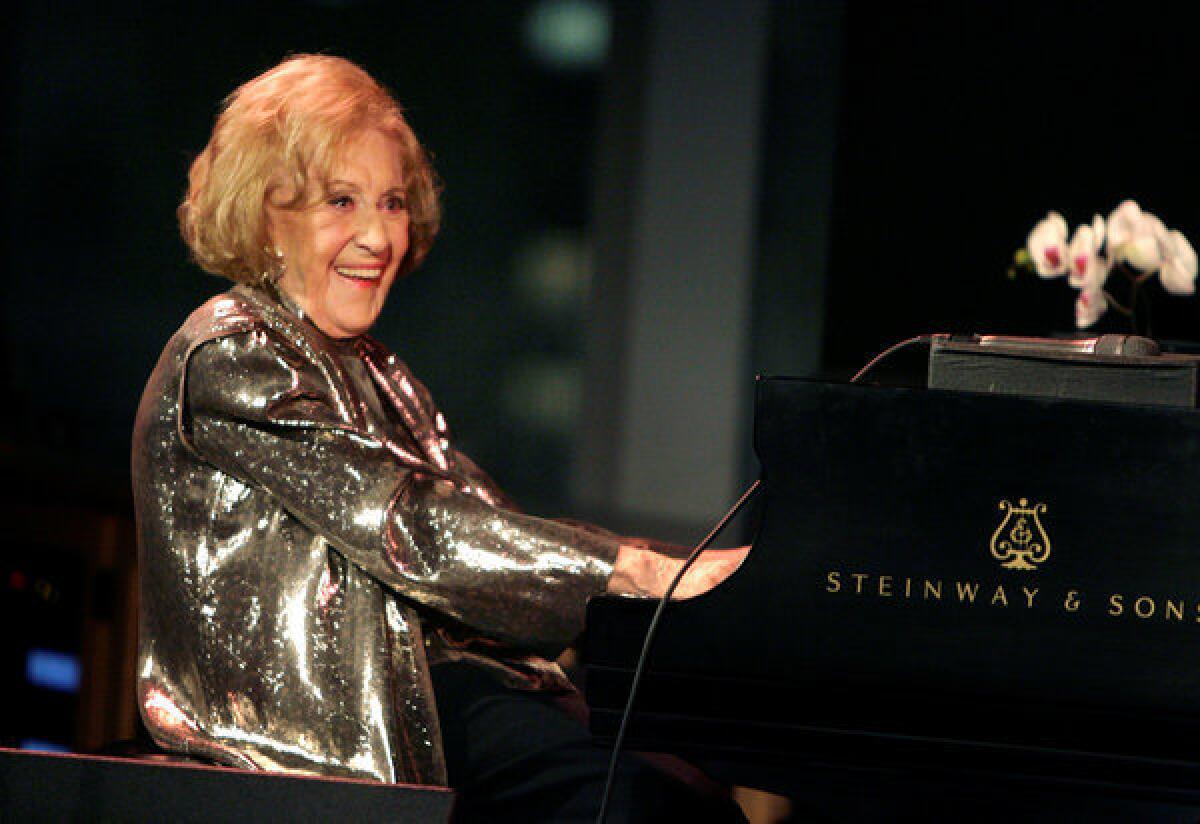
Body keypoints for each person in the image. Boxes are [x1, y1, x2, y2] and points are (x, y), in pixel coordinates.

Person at [132, 54, 748, 821]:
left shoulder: (379, 371)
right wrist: (639, 574)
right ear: (265, 215)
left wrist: (667, 569)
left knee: (693, 784)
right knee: (643, 803)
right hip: (333, 725)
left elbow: (482, 522)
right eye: (341, 201)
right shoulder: (233, 354)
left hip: (429, 689)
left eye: (390, 202)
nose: (376, 236)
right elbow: (414, 530)